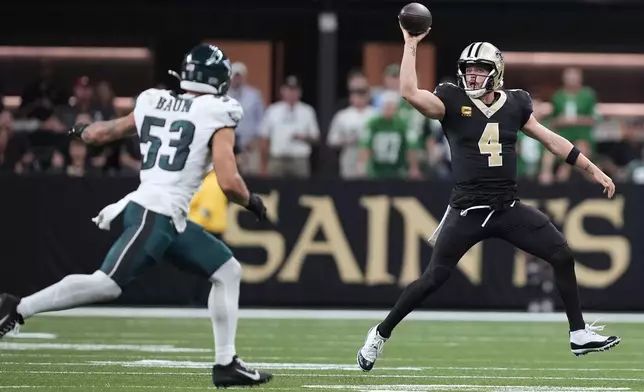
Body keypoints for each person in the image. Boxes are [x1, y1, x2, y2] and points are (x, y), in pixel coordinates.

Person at [0, 44, 273, 388]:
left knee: (227, 270)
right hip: (154, 212)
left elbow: (105, 132)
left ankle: (226, 363)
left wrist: (80, 131)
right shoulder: (219, 111)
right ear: (219, 81)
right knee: (107, 284)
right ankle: (17, 307)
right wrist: (253, 202)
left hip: (167, 216)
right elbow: (229, 181)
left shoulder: (152, 100)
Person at [356, 25, 621, 372]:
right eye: (468, 69)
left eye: (480, 69)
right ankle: (380, 333)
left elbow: (550, 139)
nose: (473, 74)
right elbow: (409, 92)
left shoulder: (516, 103)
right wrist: (410, 44)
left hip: (507, 207)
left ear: (496, 72)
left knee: (561, 253)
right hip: (466, 210)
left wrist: (593, 169)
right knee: (433, 279)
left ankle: (578, 333)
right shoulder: (451, 100)